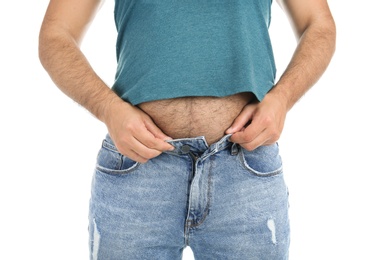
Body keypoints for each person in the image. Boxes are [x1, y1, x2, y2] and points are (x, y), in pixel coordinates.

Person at [39, 0, 335, 259]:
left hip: (244, 168)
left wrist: (282, 98)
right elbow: (55, 35)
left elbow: (318, 24)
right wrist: (106, 107)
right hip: (137, 173)